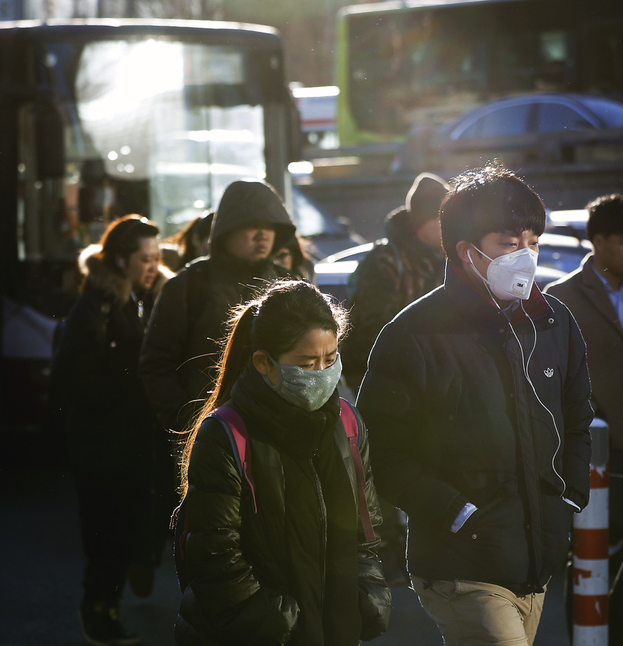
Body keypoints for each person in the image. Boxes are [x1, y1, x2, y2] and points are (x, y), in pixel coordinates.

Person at [356, 165, 593, 646]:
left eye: (533, 240)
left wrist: (567, 496)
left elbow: (577, 418)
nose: (526, 255)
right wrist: (457, 512)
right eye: (509, 243)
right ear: (467, 251)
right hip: (459, 563)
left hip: (533, 558)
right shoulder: (413, 334)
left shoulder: (553, 322)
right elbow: (380, 450)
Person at [174, 279, 391, 645]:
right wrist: (271, 619)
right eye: (307, 363)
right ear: (264, 364)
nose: (322, 374)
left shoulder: (346, 423)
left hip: (334, 627)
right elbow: (214, 550)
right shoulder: (228, 432)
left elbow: (364, 527)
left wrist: (368, 595)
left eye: (330, 359)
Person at [543, 194, 623, 646]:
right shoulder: (563, 297)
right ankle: (588, 636)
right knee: (591, 548)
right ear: (597, 242)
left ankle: (608, 630)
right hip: (593, 442)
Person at [50, 215, 173, 645]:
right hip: (102, 445)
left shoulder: (151, 299)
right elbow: (72, 379)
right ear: (120, 260)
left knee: (125, 528)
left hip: (138, 444)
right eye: (144, 258)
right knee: (105, 532)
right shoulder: (96, 305)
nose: (153, 266)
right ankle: (98, 610)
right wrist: (132, 389)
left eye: (157, 258)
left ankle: (111, 606)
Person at [139, 180, 295, 434]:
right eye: (252, 224)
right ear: (227, 229)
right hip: (209, 433)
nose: (262, 234)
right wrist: (190, 426)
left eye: (269, 225)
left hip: (277, 432)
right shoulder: (189, 285)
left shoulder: (289, 285)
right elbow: (156, 365)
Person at [342, 172, 449, 392]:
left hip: (428, 376)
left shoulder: (449, 258)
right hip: (383, 376)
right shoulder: (387, 259)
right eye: (441, 220)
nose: (448, 228)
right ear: (422, 221)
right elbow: (373, 327)